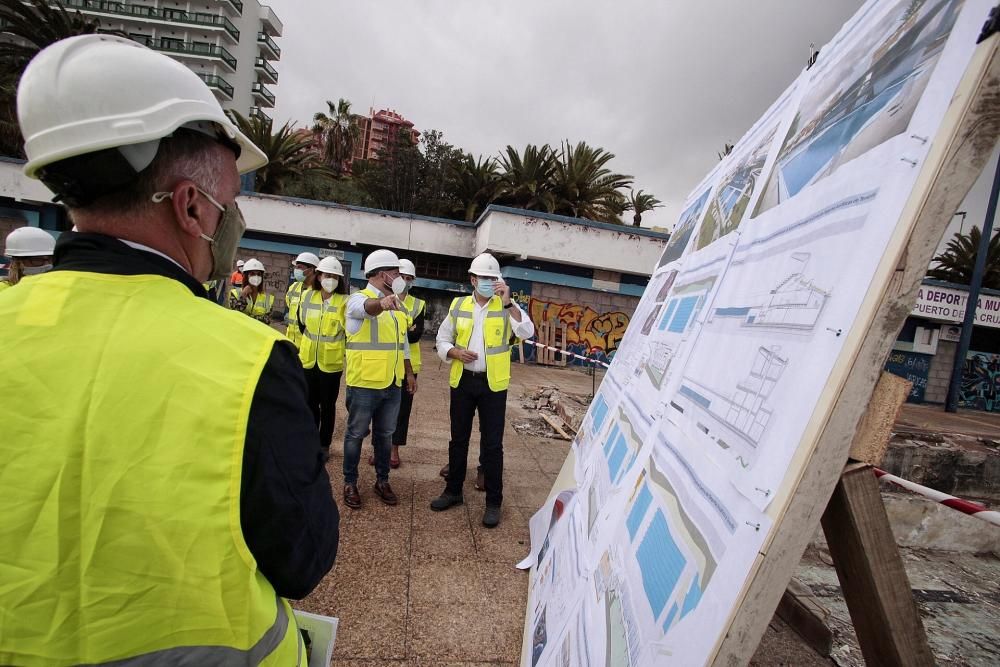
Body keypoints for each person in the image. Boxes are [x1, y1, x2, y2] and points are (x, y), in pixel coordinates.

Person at [0, 35, 338, 664]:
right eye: (229, 206)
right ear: (189, 205)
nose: (232, 226)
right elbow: (304, 558)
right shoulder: (249, 363)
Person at [431, 252, 534, 528]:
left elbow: (527, 332)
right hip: (463, 381)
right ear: (473, 279)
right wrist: (454, 351)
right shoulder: (459, 304)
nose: (488, 282)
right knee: (458, 439)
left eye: (493, 278)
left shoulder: (507, 307)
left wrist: (509, 302)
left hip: (493, 384)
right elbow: (442, 338)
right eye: (483, 278)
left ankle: (493, 502)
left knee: (492, 445)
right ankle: (453, 491)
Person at [342, 248, 416, 509]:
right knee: (355, 434)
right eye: (396, 273)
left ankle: (382, 481)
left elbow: (403, 342)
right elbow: (366, 309)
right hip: (364, 384)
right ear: (383, 274)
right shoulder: (356, 298)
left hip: (392, 384)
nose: (401, 277)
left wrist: (408, 372)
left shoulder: (398, 303)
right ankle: (350, 483)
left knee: (385, 436)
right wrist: (381, 303)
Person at [368, 257, 423, 469]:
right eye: (402, 276)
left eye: (409, 278)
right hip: (384, 362)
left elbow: (416, 335)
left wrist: (403, 329)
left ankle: (394, 450)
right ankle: (377, 448)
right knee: (379, 409)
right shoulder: (379, 299)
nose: (405, 281)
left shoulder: (418, 304)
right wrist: (404, 327)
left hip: (409, 366)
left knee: (402, 411)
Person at [298, 256, 348, 461]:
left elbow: (349, 332)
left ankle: (324, 444)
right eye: (327, 275)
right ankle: (309, 441)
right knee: (309, 403)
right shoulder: (307, 297)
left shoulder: (344, 301)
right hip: (308, 360)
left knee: (327, 406)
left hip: (331, 363)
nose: (331, 279)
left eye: (335, 277)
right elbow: (303, 325)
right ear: (318, 276)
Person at [0, 226, 55, 291]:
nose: (47, 265)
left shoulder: (53, 289)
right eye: (38, 260)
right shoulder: (3, 290)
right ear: (17, 262)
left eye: (51, 259)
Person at [285, 251, 319, 347]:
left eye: (299, 267)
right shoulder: (294, 287)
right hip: (290, 342)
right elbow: (289, 305)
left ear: (311, 270)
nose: (296, 270)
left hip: (307, 345)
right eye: (296, 267)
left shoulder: (319, 292)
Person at [229, 257, 275, 323]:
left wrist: (247, 318)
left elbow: (266, 320)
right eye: (252, 274)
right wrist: (243, 295)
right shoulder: (235, 293)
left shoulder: (268, 298)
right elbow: (234, 315)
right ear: (246, 276)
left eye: (258, 274)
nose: (256, 277)